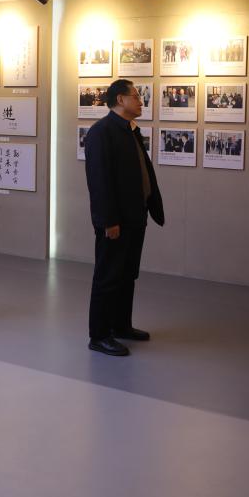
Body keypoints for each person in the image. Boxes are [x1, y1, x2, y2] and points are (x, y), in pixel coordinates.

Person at [83, 79, 164, 356]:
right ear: (120, 99)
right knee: (107, 277)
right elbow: (99, 182)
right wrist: (109, 221)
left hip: (135, 216)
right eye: (136, 96)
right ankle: (99, 335)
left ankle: (121, 326)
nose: (140, 101)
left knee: (127, 275)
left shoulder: (129, 129)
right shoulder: (101, 132)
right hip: (115, 221)